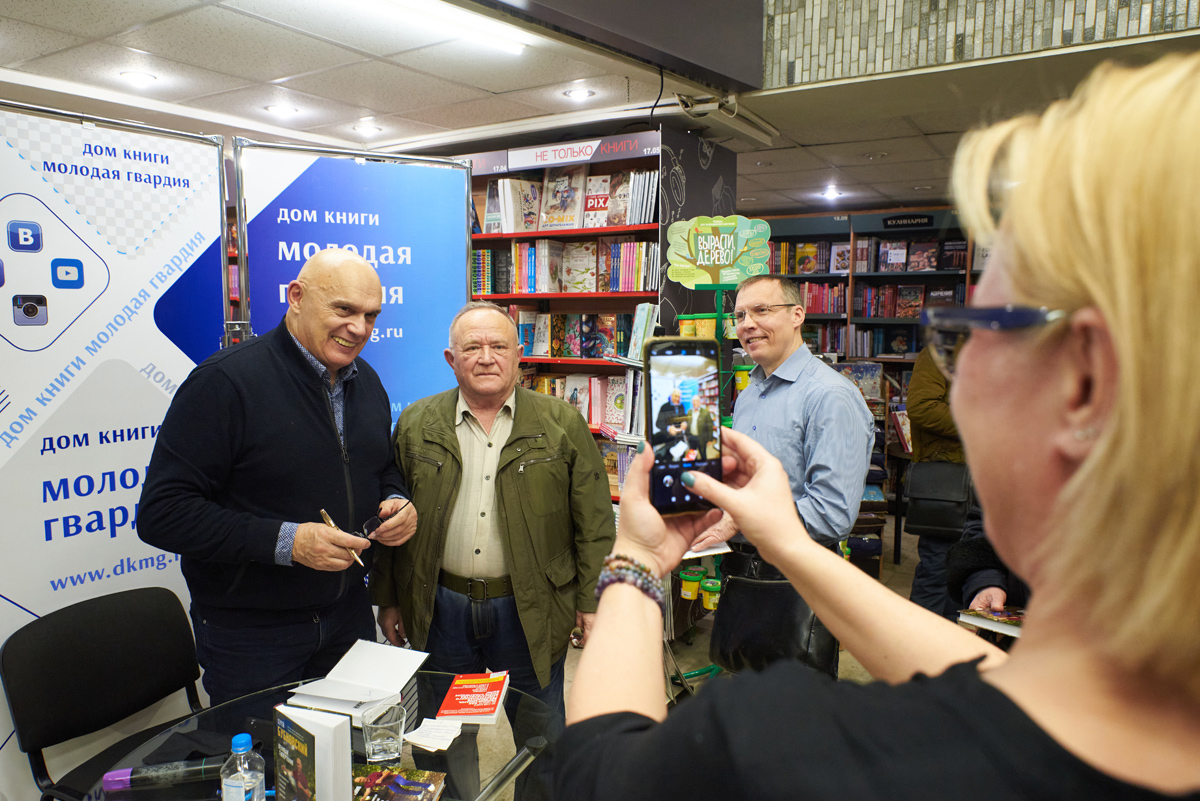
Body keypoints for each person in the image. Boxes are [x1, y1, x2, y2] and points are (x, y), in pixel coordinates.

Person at [550, 54, 1200, 799]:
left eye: (968, 336)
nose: (955, 381)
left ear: (1084, 383)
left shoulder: (781, 753)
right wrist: (784, 538)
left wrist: (635, 560)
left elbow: (597, 773)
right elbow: (993, 685)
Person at [139, 248, 417, 707]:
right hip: (253, 635)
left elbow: (379, 464)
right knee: (261, 753)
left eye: (370, 315)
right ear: (296, 297)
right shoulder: (224, 382)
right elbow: (162, 514)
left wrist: (396, 498)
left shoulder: (365, 380)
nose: (359, 328)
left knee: (350, 745)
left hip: (347, 617)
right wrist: (289, 542)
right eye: (344, 309)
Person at [370, 301, 614, 796]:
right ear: (450, 358)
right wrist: (389, 598)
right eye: (472, 347)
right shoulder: (416, 423)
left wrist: (591, 601)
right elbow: (394, 519)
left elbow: (594, 522)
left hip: (531, 607)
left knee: (543, 732)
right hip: (440, 606)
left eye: (499, 346)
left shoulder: (561, 422)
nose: (486, 357)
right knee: (440, 733)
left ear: (519, 355)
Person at [691, 274, 874, 677]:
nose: (747, 324)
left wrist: (741, 518)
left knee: (795, 707)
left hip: (796, 583)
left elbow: (832, 513)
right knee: (745, 697)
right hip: (742, 574)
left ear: (797, 315)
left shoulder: (830, 396)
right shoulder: (750, 394)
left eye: (761, 310)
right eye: (740, 315)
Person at [905, 342, 968, 620]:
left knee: (970, 572)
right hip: (949, 481)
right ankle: (917, 643)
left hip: (996, 481)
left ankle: (950, 640)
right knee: (937, 569)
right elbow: (922, 407)